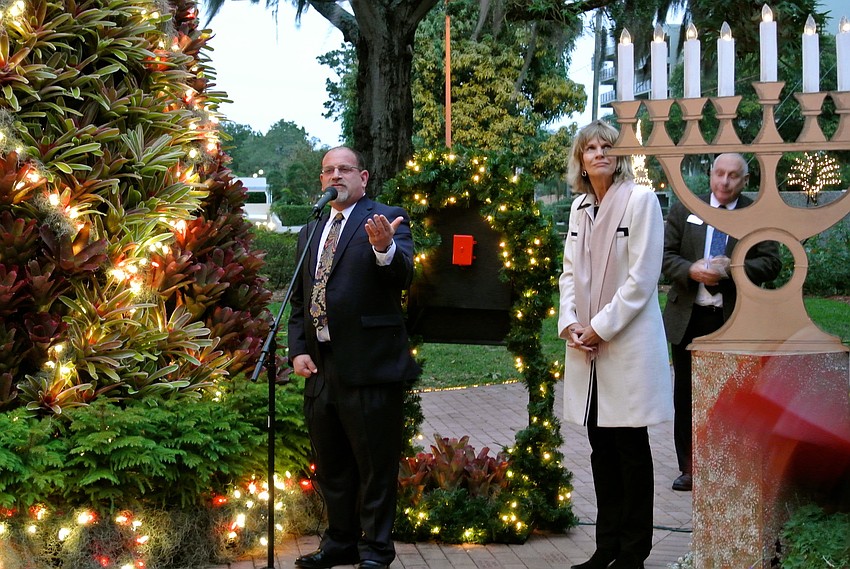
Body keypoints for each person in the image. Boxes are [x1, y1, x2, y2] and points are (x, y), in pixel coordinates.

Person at [287, 146, 420, 569]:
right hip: (321, 366)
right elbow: (299, 299)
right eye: (328, 170)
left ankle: (376, 550)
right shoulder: (312, 229)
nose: (335, 176)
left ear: (363, 177)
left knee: (375, 466)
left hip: (370, 365)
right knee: (331, 465)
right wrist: (298, 350)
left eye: (344, 169)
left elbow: (403, 275)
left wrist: (385, 250)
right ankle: (340, 542)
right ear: (321, 180)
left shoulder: (386, 218)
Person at [558, 120, 673, 569]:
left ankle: (632, 551)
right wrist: (571, 322)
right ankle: (605, 547)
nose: (600, 153)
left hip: (624, 343)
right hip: (586, 348)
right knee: (600, 451)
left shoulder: (641, 201)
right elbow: (569, 273)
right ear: (581, 160)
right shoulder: (579, 207)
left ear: (619, 154)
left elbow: (642, 279)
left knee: (630, 451)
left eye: (607, 146)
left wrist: (600, 327)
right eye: (591, 148)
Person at [662, 152, 782, 492]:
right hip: (688, 318)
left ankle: (730, 464)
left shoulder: (756, 215)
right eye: (719, 174)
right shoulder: (686, 209)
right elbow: (665, 256)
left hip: (733, 318)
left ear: (745, 180)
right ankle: (690, 467)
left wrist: (733, 269)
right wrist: (690, 269)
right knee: (686, 396)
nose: (724, 182)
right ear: (710, 174)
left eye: (733, 176)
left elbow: (771, 263)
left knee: (734, 395)